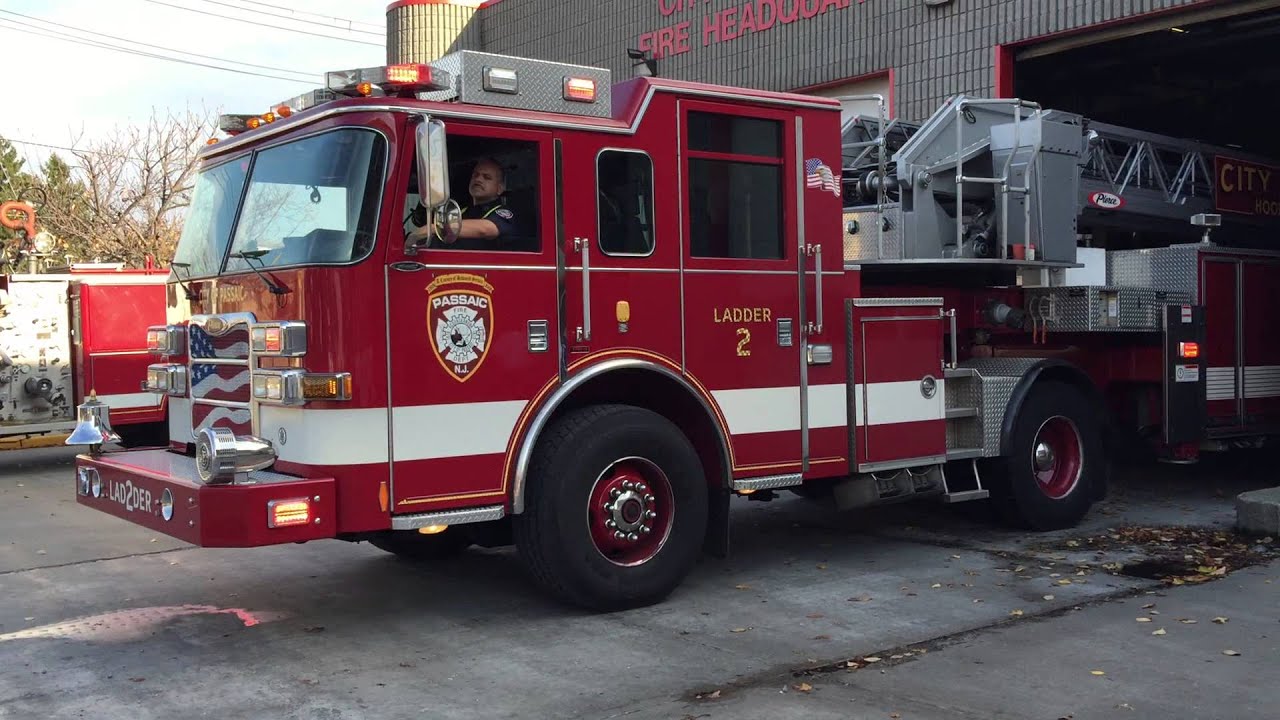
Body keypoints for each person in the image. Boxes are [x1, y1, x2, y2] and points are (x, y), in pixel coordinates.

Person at [409, 157, 519, 250]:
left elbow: (486, 229)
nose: (478, 179)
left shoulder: (503, 212)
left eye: (487, 177)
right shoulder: (462, 210)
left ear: (500, 188)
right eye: (475, 175)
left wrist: (435, 229)